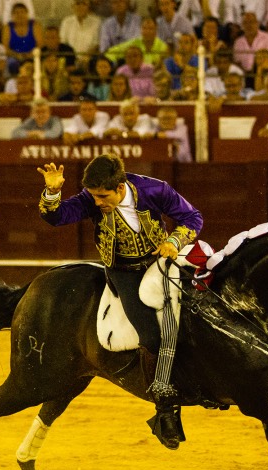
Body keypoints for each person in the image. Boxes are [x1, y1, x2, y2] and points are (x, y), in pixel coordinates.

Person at [36, 153, 202, 449]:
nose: (97, 202)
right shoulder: (91, 199)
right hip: (124, 273)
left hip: (160, 263)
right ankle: (165, 410)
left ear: (120, 187)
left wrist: (174, 241)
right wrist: (52, 192)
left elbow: (193, 217)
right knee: (151, 336)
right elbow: (57, 217)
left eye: (103, 196)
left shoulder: (154, 190)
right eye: (94, 196)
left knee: (202, 311)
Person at [104, 16, 169, 68]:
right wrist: (114, 63)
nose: (147, 31)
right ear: (141, 29)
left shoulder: (163, 46)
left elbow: (165, 67)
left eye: (150, 28)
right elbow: (111, 52)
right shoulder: (134, 42)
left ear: (156, 30)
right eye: (144, 28)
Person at [3, 2, 42, 73]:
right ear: (12, 15)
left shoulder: (35, 25)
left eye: (22, 12)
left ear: (27, 13)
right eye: (16, 13)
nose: (19, 15)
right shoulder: (8, 27)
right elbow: (5, 48)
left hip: (32, 57)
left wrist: (30, 55)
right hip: (14, 58)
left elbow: (40, 45)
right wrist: (17, 55)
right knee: (12, 65)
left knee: (31, 66)